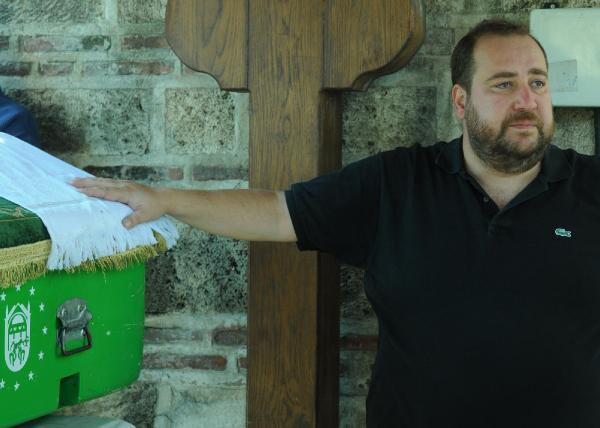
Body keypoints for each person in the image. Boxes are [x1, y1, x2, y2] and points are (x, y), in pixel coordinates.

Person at [72, 19, 600, 427]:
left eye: (537, 82)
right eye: (504, 84)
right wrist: (165, 199)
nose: (527, 101)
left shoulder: (591, 188)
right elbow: (278, 212)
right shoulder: (398, 182)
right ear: (461, 102)